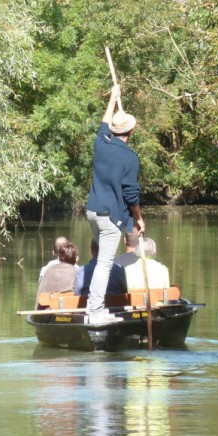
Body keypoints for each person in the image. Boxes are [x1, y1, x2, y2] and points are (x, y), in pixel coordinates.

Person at [85, 84, 145, 323]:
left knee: (102, 260)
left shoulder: (101, 144)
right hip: (109, 217)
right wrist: (138, 217)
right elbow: (131, 194)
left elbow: (103, 125)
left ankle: (98, 304)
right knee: (105, 263)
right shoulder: (130, 157)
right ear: (130, 132)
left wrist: (112, 98)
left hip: (92, 212)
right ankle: (96, 310)